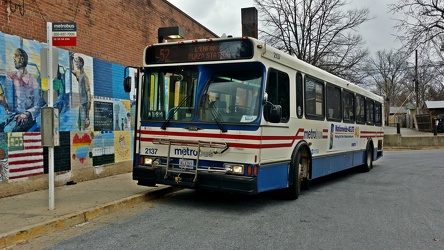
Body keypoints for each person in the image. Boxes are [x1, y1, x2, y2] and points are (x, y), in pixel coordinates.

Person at [4, 48, 41, 132]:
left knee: (8, 130)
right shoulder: (11, 77)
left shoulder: (34, 83)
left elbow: (37, 106)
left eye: (16, 56)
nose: (13, 58)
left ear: (22, 59)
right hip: (12, 116)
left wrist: (26, 114)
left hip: (26, 118)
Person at [71, 53, 92, 130]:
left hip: (84, 104)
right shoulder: (79, 75)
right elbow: (72, 70)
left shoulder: (85, 77)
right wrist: (71, 59)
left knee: (83, 126)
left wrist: (88, 116)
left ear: (82, 63)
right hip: (81, 105)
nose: (76, 64)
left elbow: (89, 95)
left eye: (77, 62)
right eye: (75, 62)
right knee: (80, 125)